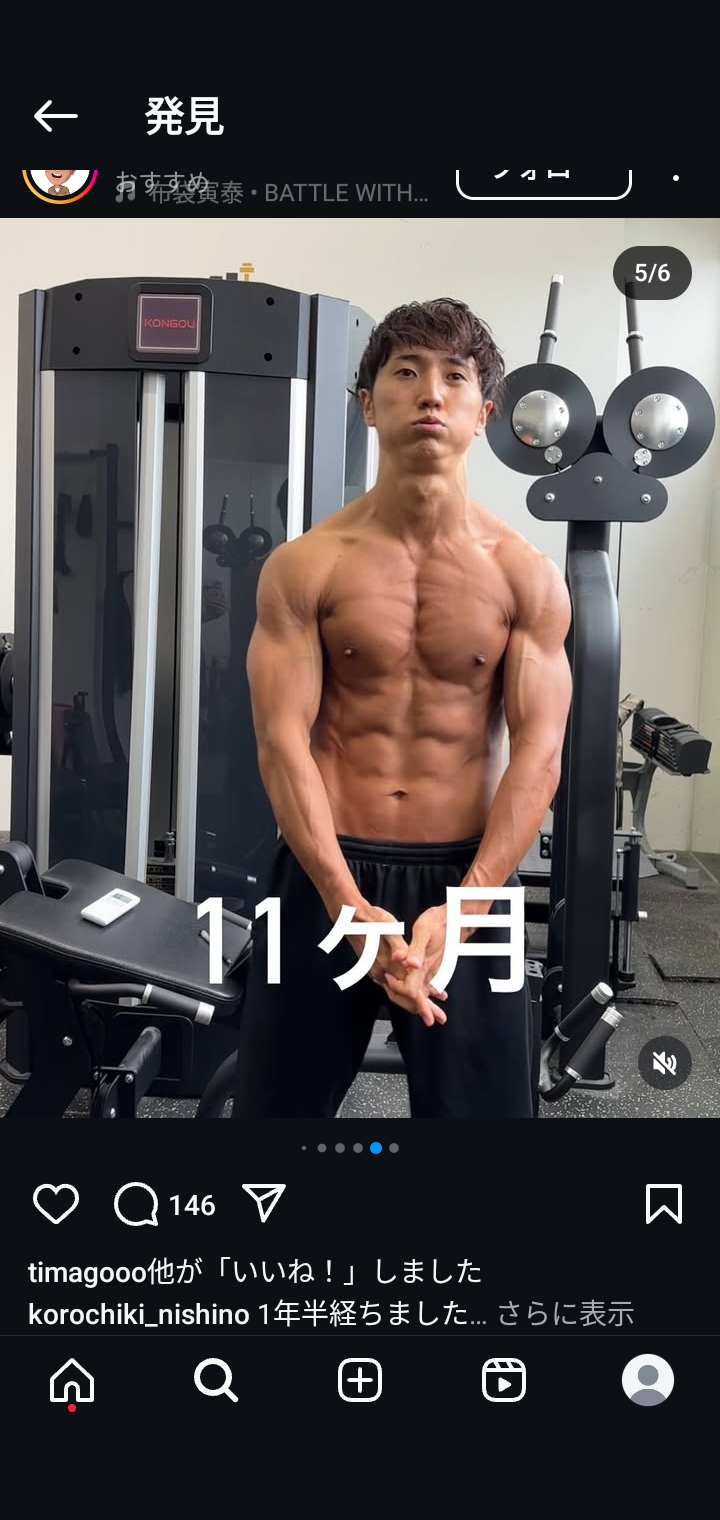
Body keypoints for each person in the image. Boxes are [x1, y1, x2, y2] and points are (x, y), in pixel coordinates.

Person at [232, 297, 572, 1119]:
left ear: (483, 412)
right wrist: (347, 904)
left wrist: (469, 907)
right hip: (323, 869)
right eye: (406, 372)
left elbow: (540, 754)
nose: (429, 393)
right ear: (367, 402)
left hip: (469, 874)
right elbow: (281, 743)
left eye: (455, 377)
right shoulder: (305, 566)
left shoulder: (525, 574)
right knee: (276, 1115)